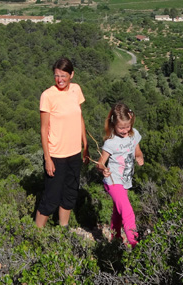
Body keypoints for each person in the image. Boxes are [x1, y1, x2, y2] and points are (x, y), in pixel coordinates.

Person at [35, 57, 89, 228]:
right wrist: (48, 158)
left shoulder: (76, 90)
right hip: (56, 154)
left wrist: (85, 146)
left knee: (70, 194)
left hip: (74, 153)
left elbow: (79, 118)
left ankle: (63, 231)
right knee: (51, 198)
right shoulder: (48, 95)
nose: (60, 80)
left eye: (64, 76)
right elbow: (44, 129)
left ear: (72, 74)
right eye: (56, 76)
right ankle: (35, 235)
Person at [97, 102, 144, 246]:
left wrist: (139, 156)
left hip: (125, 180)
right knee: (127, 211)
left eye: (127, 126)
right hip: (113, 181)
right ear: (113, 125)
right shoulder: (110, 142)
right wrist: (103, 169)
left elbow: (137, 150)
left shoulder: (134, 134)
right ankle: (135, 243)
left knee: (118, 212)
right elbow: (100, 163)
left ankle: (115, 240)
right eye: (121, 128)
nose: (125, 130)